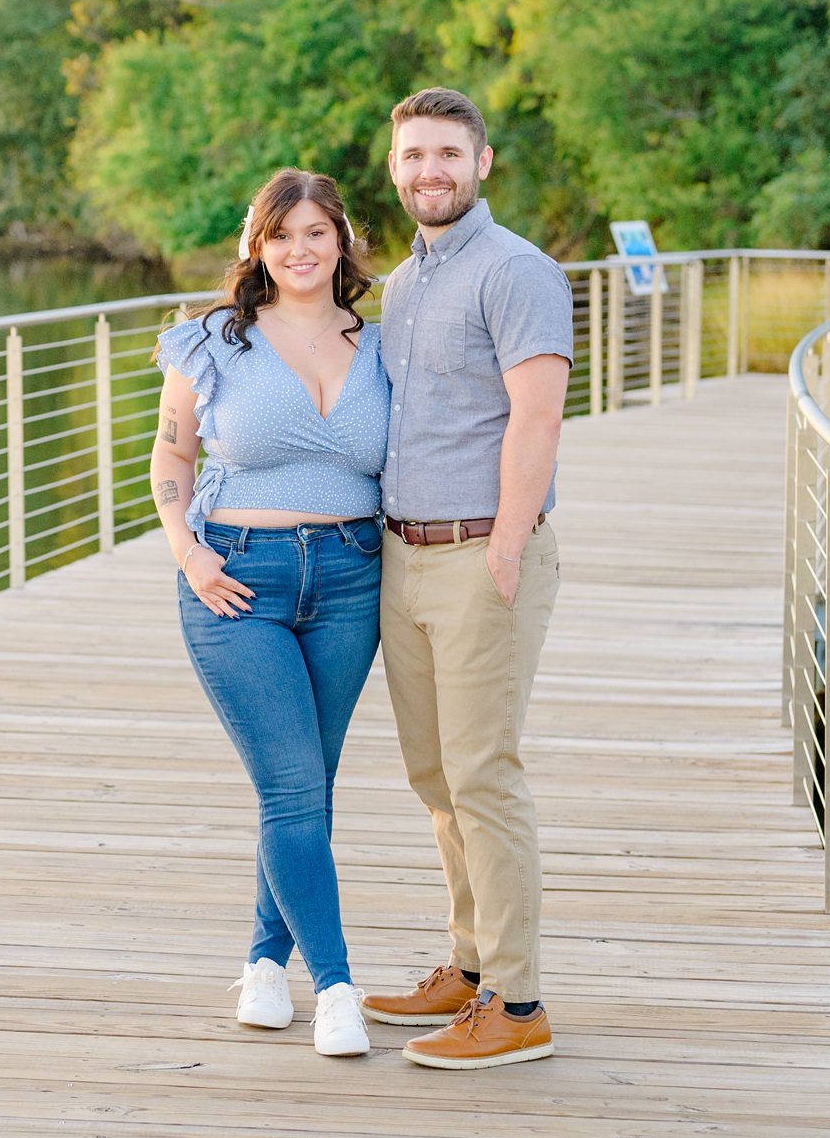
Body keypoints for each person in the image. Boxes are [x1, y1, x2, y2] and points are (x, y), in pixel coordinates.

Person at [358, 87, 573, 1070]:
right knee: (435, 777)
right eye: (414, 156)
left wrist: (509, 545)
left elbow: (535, 418)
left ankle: (518, 1001)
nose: (429, 170)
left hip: (486, 551)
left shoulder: (515, 270)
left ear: (483, 161)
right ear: (395, 168)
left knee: (485, 774)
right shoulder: (404, 282)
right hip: (405, 555)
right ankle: (470, 961)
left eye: (448, 152)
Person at [152, 168, 390, 1059]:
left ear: (341, 242)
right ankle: (334, 986)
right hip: (236, 580)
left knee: (307, 787)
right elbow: (170, 458)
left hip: (352, 575)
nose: (300, 248)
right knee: (293, 785)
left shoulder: (381, 342)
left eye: (317, 232)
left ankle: (262, 960)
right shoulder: (214, 340)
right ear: (258, 244)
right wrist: (190, 551)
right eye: (282, 233)